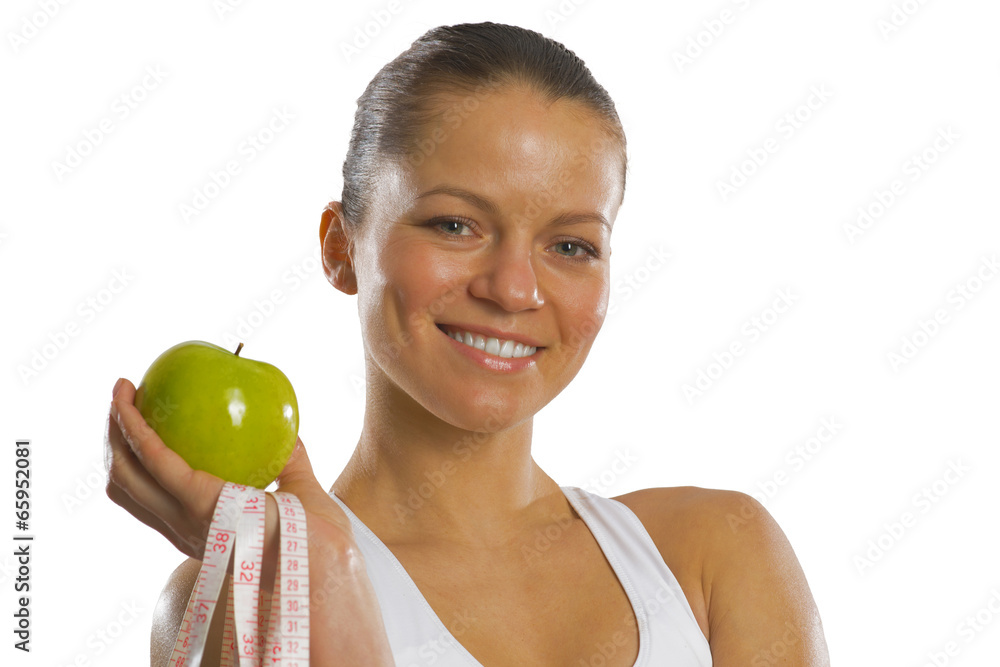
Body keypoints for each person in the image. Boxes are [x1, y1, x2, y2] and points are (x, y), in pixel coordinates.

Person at [105, 21, 831, 666]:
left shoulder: (715, 553)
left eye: (572, 244)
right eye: (456, 225)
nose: (515, 289)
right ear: (340, 247)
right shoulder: (251, 582)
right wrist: (319, 571)